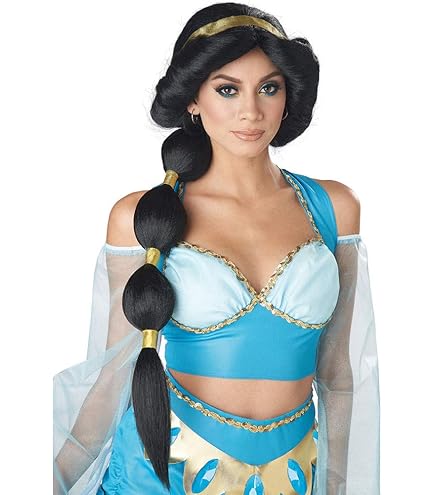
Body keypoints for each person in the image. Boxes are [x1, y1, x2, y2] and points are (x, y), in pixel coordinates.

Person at [53, 3, 381, 494]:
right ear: (193, 99)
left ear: (287, 97)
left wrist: (335, 485)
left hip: (292, 476)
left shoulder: (333, 208)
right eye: (228, 89)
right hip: (159, 473)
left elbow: (338, 375)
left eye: (268, 88)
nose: (251, 111)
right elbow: (113, 377)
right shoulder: (142, 217)